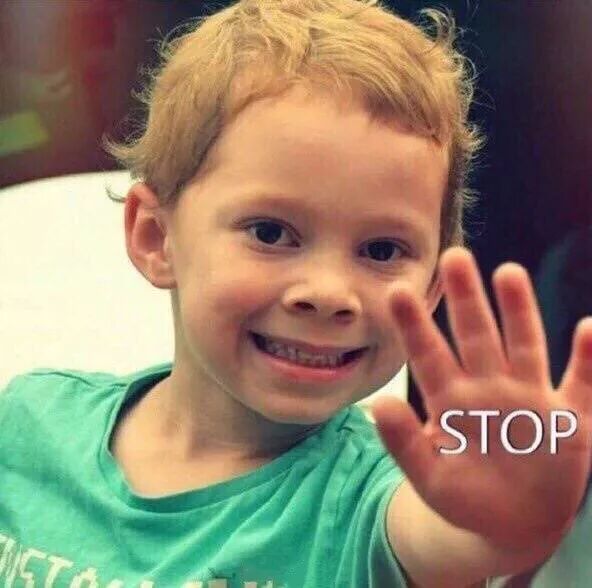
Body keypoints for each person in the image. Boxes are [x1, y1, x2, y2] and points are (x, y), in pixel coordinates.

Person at [2, 1, 591, 586]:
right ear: (156, 238)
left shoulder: (372, 505)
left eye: (381, 250)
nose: (329, 293)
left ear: (433, 286)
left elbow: (454, 538)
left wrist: (510, 520)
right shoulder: (29, 422)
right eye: (271, 233)